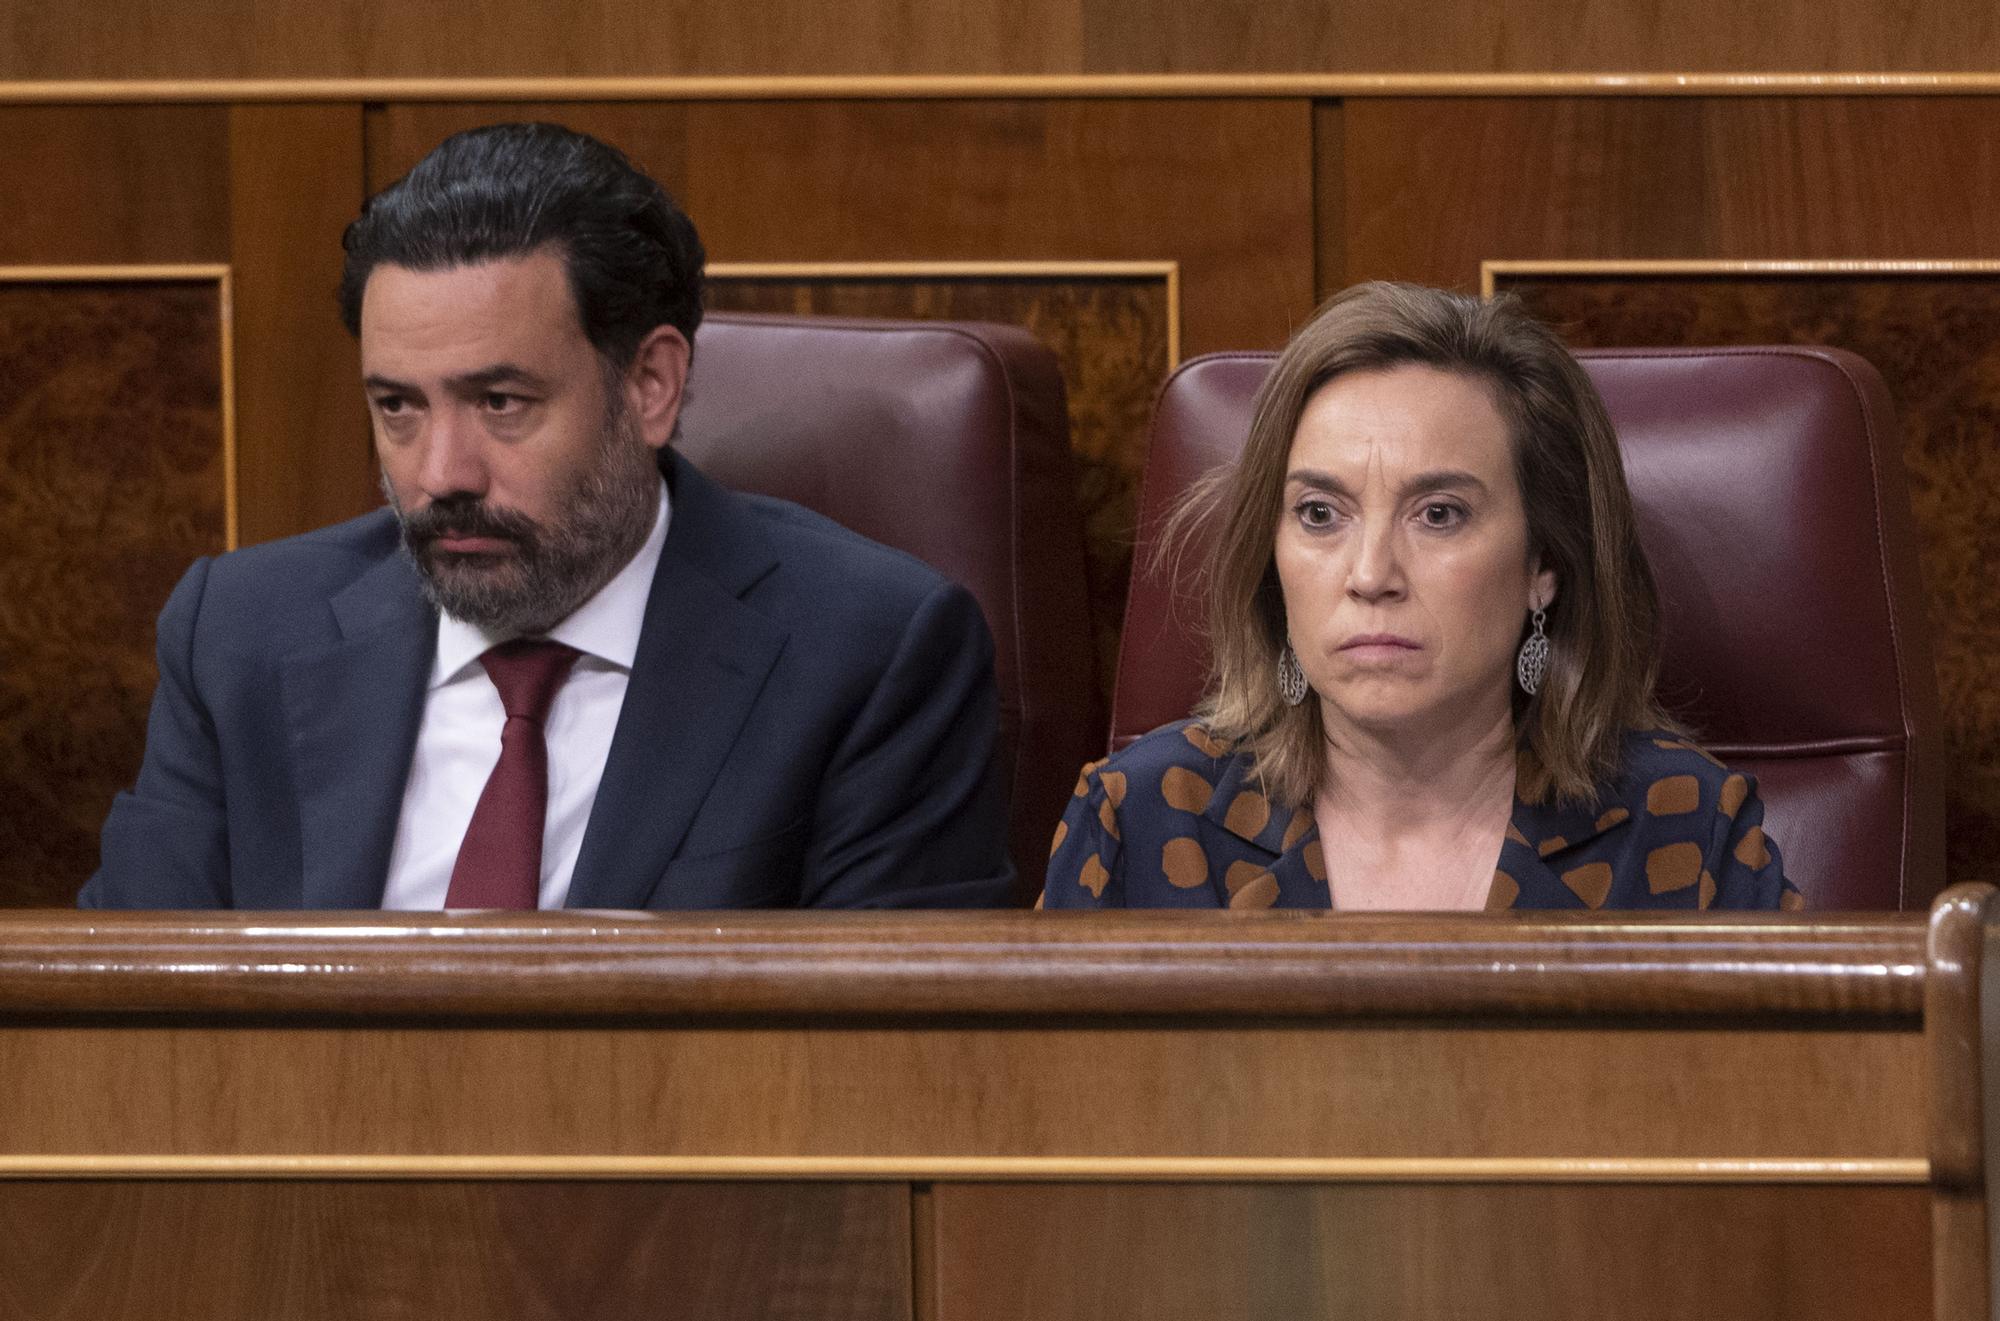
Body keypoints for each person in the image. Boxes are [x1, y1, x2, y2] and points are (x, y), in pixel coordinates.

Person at [83, 121, 1012, 910]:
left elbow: (886, 1074)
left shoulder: (868, 655)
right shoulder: (239, 634)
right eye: (398, 406)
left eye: (500, 402)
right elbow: (122, 1029)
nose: (442, 474)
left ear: (650, 384)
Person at [1044, 282, 1798, 912]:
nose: (1371, 574)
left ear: (1545, 562)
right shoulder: (1140, 819)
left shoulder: (1687, 831)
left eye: (1439, 514)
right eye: (1319, 514)